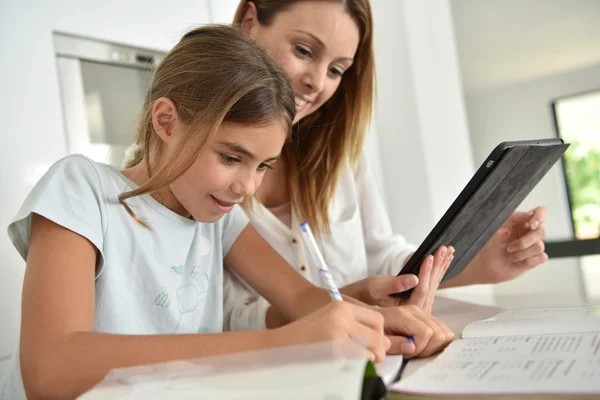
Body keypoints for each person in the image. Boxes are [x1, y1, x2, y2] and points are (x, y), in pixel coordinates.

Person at [0, 25, 452, 400]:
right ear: (166, 121)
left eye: (263, 167)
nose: (247, 187)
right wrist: (278, 346)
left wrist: (374, 320)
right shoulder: (82, 189)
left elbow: (300, 300)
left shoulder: (219, 219)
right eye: (231, 157)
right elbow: (51, 371)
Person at [222, 0, 549, 332]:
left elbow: (381, 259)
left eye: (337, 70)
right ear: (250, 21)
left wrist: (479, 262)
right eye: (304, 51)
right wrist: (348, 305)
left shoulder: (340, 155)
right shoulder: (203, 167)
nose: (318, 83)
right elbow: (222, 322)